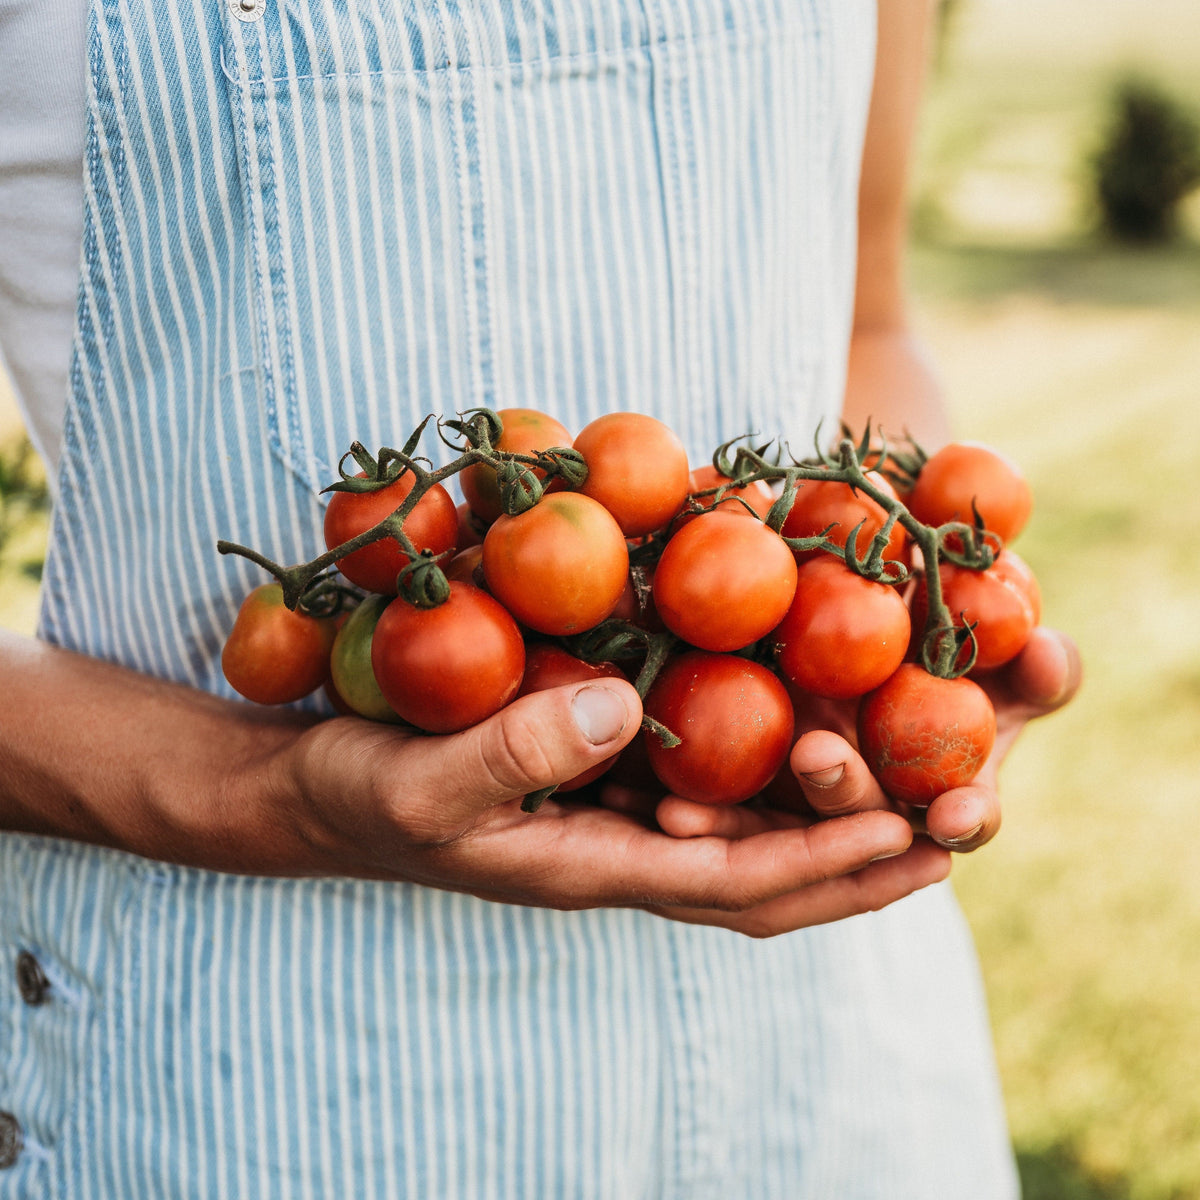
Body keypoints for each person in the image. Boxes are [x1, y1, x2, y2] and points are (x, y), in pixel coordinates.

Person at [0, 0, 1079, 1195]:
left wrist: (910, 654)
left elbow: (868, 327)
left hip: (830, 1048)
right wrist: (270, 793)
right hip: (248, 1063)